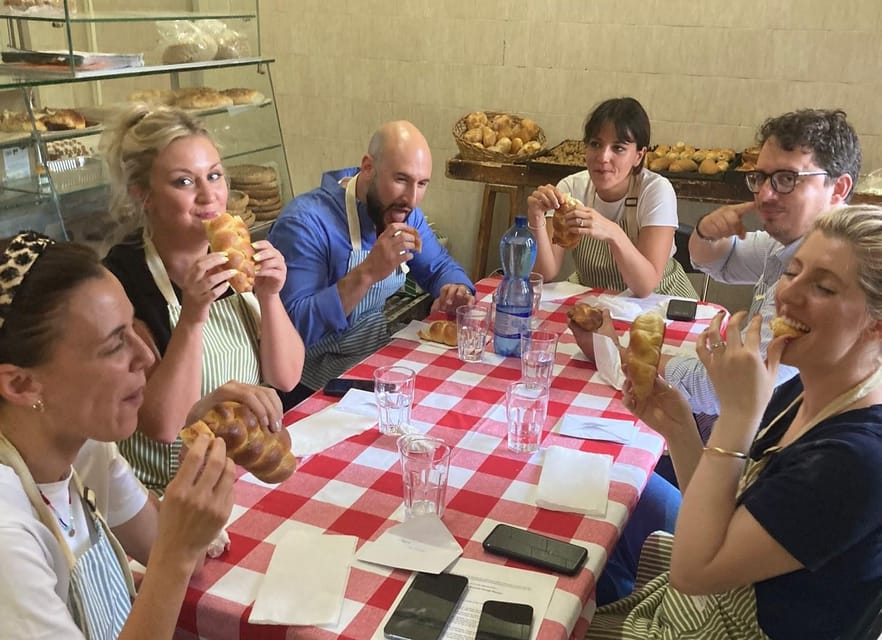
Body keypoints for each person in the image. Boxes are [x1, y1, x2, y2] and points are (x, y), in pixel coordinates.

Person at [588, 206, 882, 640]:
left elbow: (694, 571)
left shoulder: (855, 461)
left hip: (723, 626)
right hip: (702, 605)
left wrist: (737, 412)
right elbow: (722, 515)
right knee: (600, 503)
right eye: (792, 271)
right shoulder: (805, 389)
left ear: (876, 326)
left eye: (822, 287)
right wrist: (681, 429)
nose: (788, 295)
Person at [0, 232, 260, 638]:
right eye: (114, 345)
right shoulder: (7, 535)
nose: (146, 356)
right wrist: (174, 555)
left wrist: (196, 435)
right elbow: (174, 558)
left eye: (133, 328)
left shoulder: (84, 451)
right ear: (20, 385)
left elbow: (184, 558)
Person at [572, 108, 861, 418]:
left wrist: (619, 353)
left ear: (839, 189)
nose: (765, 194)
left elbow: (713, 391)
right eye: (761, 177)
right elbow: (721, 260)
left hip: (772, 440)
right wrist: (705, 231)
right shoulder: (787, 244)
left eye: (786, 179)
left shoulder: (828, 282)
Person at [101, 104, 304, 494]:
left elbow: (286, 376)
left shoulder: (235, 258)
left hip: (233, 476)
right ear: (143, 195)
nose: (209, 195)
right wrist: (193, 316)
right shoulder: (123, 282)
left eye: (214, 175)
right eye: (184, 182)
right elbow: (162, 425)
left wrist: (270, 297)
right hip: (162, 494)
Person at [269, 120, 475, 403]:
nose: (412, 199)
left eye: (422, 184)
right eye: (401, 180)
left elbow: (438, 266)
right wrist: (366, 273)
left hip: (372, 362)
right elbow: (292, 328)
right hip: (309, 386)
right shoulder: (305, 223)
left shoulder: (404, 211)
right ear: (368, 167)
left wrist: (456, 289)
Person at [526, 97, 696, 298]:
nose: (603, 157)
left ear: (638, 156)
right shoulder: (571, 188)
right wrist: (536, 218)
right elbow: (544, 274)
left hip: (660, 303)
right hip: (597, 299)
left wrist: (613, 233)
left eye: (618, 148)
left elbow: (644, 286)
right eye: (596, 144)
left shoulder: (655, 191)